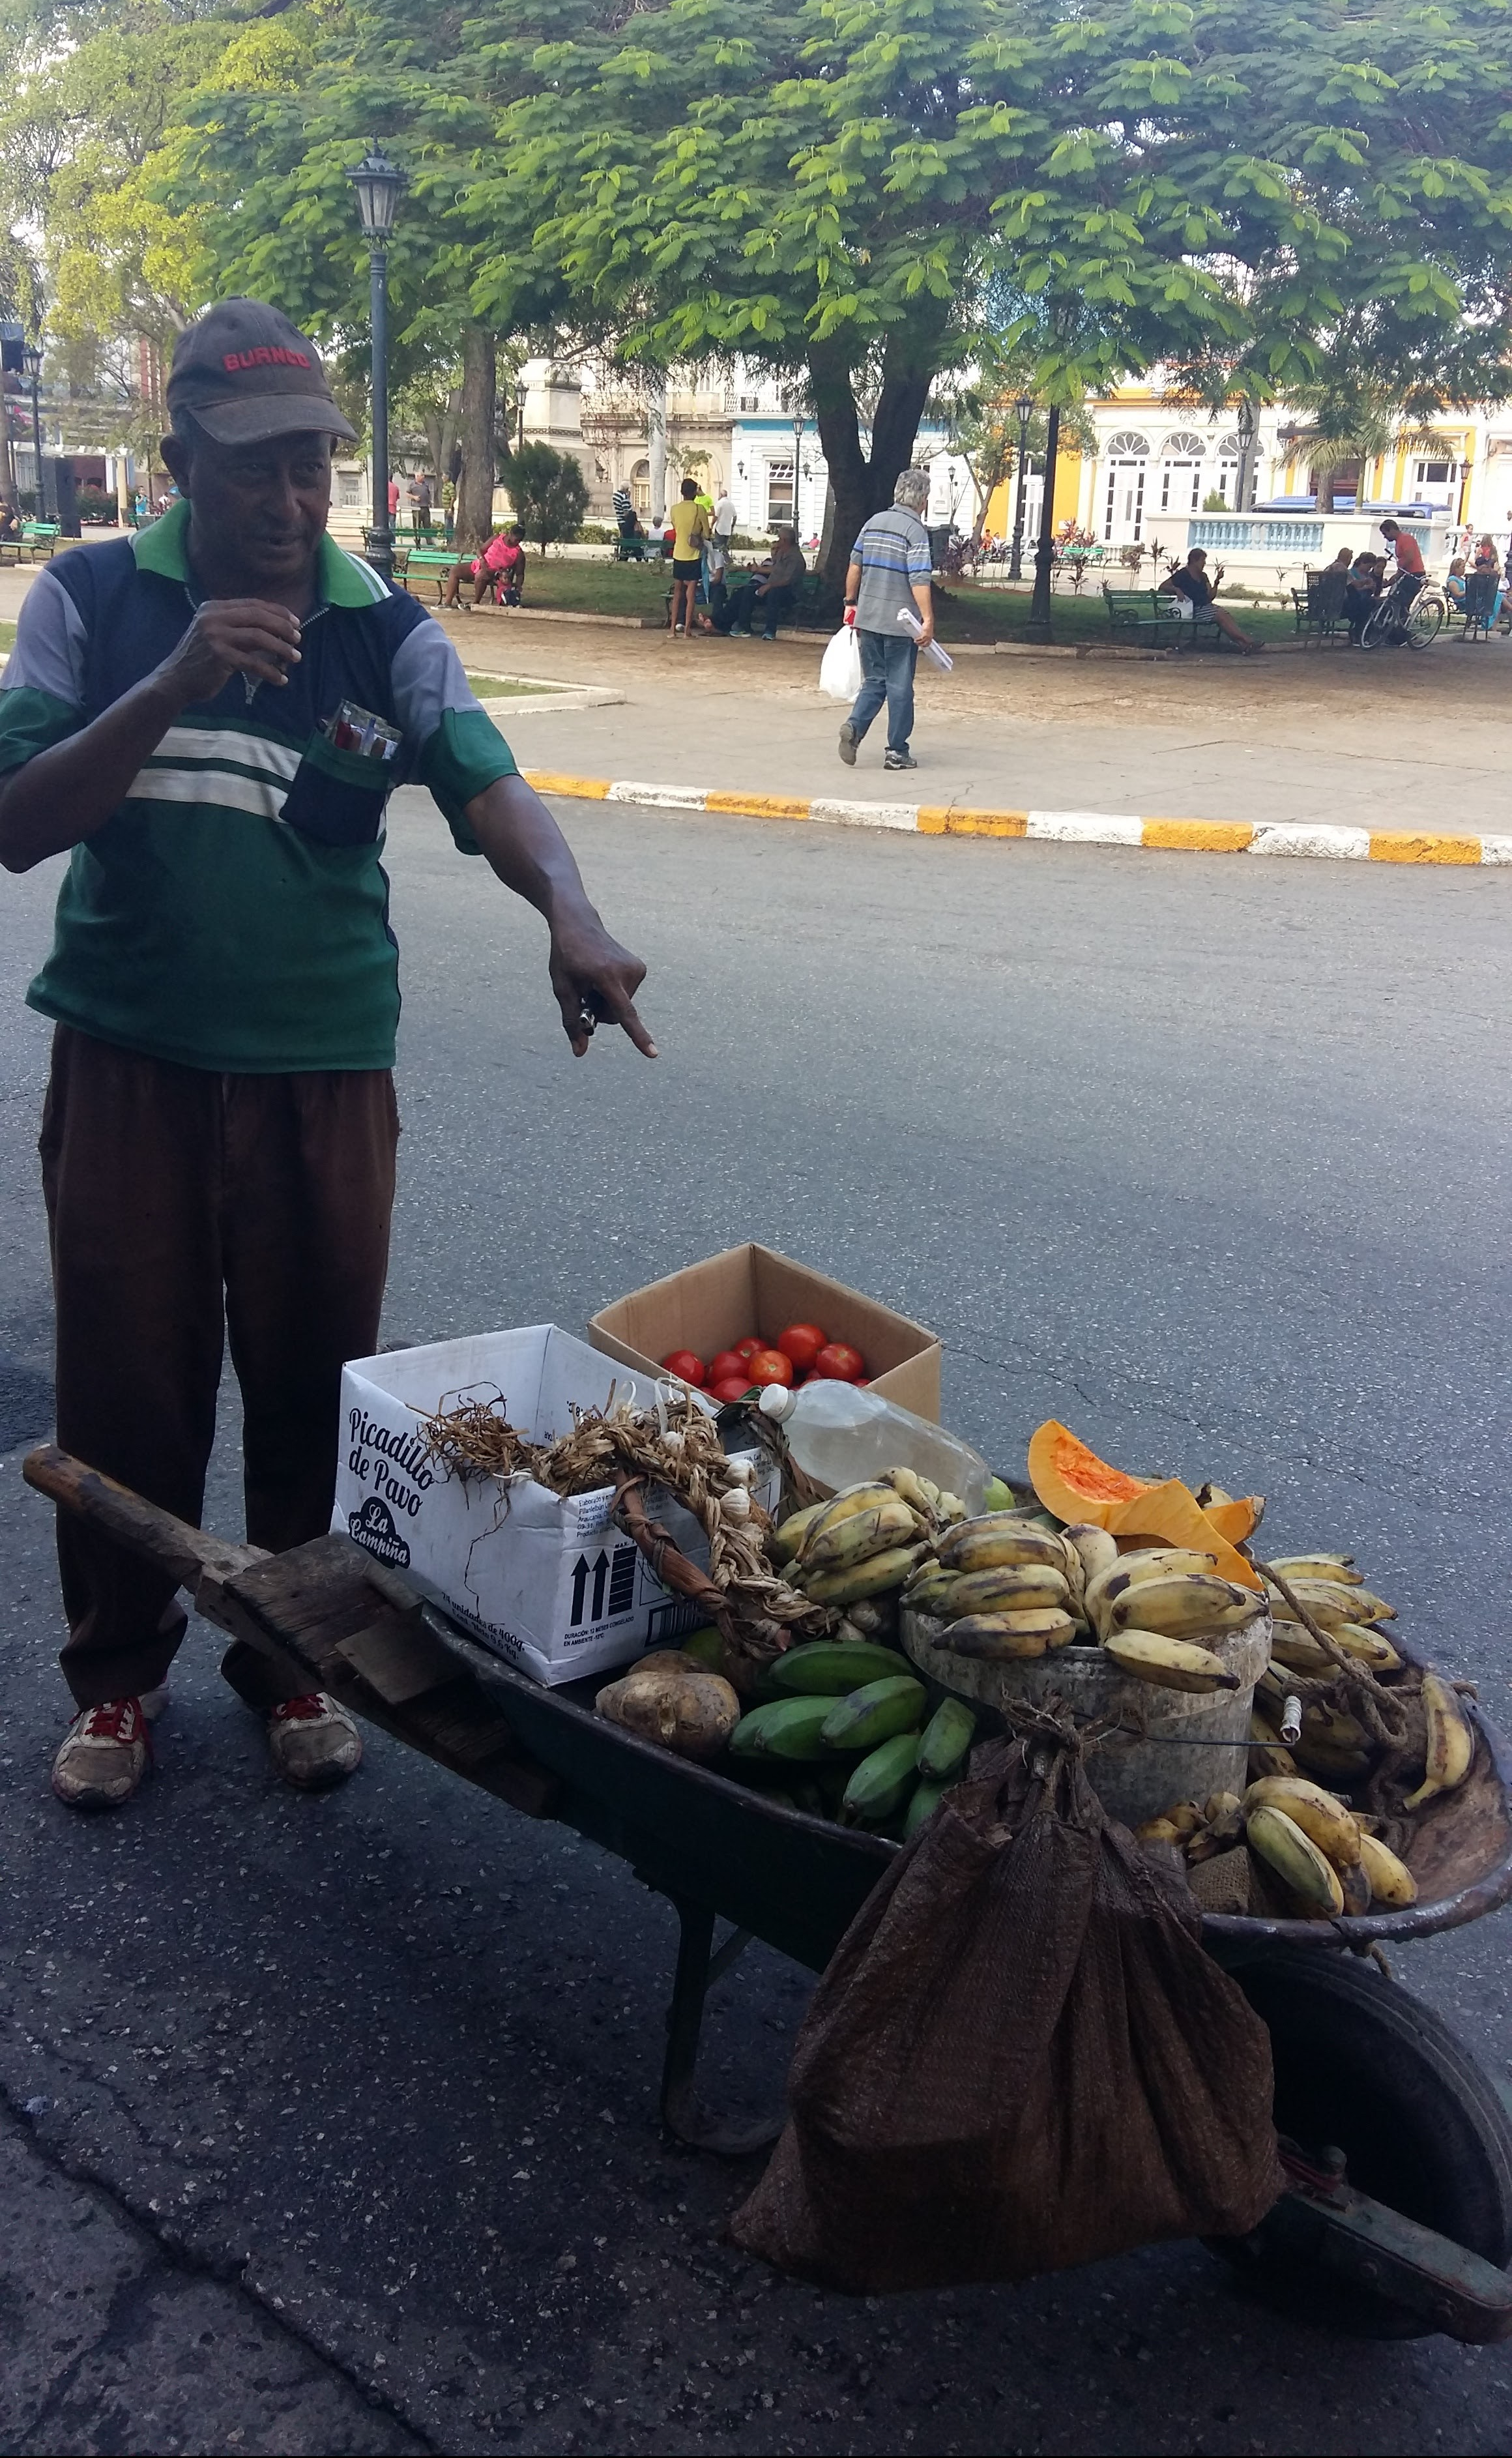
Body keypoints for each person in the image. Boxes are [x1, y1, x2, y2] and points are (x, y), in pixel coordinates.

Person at [0, 296, 654, 1814]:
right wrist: (171, 685)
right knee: (129, 1394)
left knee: (314, 1383)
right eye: (253, 470)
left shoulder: (381, 622)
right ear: (177, 463)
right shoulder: (88, 599)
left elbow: (486, 777)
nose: (290, 504)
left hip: (322, 1070)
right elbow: (19, 821)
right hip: (132, 1061)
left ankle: (292, 1656)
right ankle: (117, 1676)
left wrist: (570, 908)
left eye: (312, 466)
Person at [837, 469, 934, 768]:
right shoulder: (915, 532)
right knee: (900, 686)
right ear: (922, 500)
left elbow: (855, 567)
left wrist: (850, 603)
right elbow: (918, 578)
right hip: (900, 622)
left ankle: (854, 727)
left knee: (875, 680)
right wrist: (928, 618)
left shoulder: (873, 523)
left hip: (868, 617)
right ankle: (897, 752)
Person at [1157, 549, 1260, 651]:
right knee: (1221, 616)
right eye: (1202, 561)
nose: (1204, 564)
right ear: (1194, 560)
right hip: (1194, 609)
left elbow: (1210, 596)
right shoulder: (1183, 575)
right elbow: (1163, 586)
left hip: (1207, 607)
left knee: (1226, 616)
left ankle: (1244, 645)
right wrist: (1176, 589)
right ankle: (1248, 641)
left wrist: (1217, 581)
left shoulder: (1203, 576)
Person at [723, 525, 807, 639]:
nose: (778, 541)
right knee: (748, 591)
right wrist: (757, 570)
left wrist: (769, 586)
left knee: (775, 594)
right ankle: (743, 626)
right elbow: (775, 570)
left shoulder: (795, 558)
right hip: (772, 587)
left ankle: (770, 631)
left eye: (779, 538)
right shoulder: (782, 553)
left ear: (785, 541)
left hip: (789, 592)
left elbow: (788, 580)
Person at [443, 523, 526, 610]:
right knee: (455, 570)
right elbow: (480, 550)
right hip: (480, 565)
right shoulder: (497, 538)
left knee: (481, 575)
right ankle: (447, 603)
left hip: (496, 574)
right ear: (511, 534)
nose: (517, 542)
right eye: (516, 539)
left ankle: (475, 603)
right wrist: (482, 559)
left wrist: (518, 587)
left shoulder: (518, 553)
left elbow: (520, 574)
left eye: (520, 541)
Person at [667, 478, 710, 637]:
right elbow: (707, 533)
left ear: (681, 492)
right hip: (693, 555)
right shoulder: (700, 509)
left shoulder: (674, 509)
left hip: (678, 553)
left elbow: (675, 527)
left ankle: (672, 630)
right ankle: (687, 631)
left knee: (677, 593)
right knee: (690, 594)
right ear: (695, 492)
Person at [1379, 519, 1424, 609]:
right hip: (1408, 574)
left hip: (1415, 575)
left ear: (1391, 530)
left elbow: (1410, 557)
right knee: (1395, 599)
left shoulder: (1405, 539)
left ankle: (1403, 621)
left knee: (1402, 602)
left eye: (1385, 534)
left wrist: (1400, 565)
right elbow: (1401, 570)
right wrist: (1390, 582)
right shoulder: (1400, 541)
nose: (1385, 537)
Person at [1343, 551, 1383, 641]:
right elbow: (1351, 590)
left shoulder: (1367, 575)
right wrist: (1366, 587)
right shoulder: (1351, 573)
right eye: (1369, 567)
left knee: (1377, 605)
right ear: (1362, 563)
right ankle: (1361, 633)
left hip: (1363, 601)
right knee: (1368, 606)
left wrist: (1372, 588)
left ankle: (1373, 633)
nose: (1369, 570)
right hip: (1353, 603)